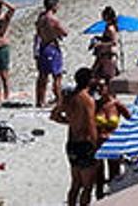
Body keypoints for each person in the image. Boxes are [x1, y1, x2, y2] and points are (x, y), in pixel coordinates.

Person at [50, 68, 98, 206]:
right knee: (87, 186)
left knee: (75, 184)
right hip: (85, 143)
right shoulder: (88, 100)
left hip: (72, 143)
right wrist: (96, 146)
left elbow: (54, 116)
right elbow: (91, 125)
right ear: (89, 80)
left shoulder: (69, 98)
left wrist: (70, 121)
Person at [92, 80, 130, 200]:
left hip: (113, 143)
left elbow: (132, 119)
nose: (99, 89)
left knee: (114, 175)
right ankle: (100, 199)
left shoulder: (116, 105)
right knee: (99, 176)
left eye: (102, 87)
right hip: (98, 142)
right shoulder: (95, 104)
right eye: (98, 87)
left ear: (109, 88)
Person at [35, 0, 67, 107]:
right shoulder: (52, 19)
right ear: (53, 6)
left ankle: (40, 100)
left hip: (42, 46)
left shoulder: (41, 18)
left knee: (42, 76)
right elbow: (64, 32)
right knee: (57, 76)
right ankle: (59, 100)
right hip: (51, 46)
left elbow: (38, 32)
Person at [91, 7, 119, 82]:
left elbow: (114, 42)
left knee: (107, 78)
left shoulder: (110, 28)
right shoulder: (108, 26)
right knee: (97, 74)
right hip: (104, 54)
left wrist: (100, 44)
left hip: (108, 55)